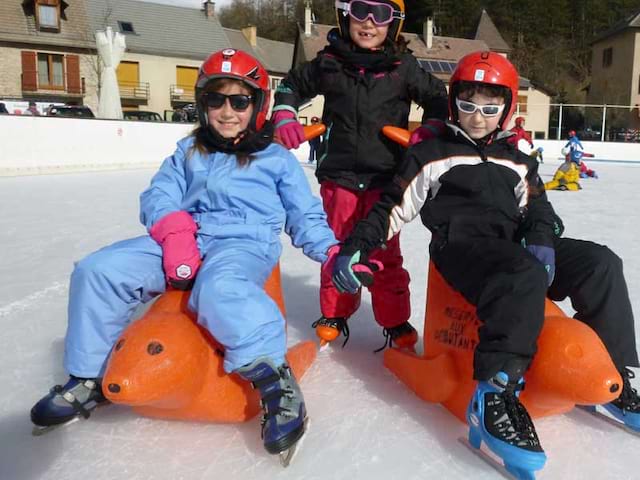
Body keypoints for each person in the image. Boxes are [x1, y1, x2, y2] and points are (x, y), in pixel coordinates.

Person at [331, 51, 640, 475]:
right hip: (462, 249)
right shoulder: (432, 154)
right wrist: (356, 249)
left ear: (507, 108)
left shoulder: (518, 159)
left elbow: (539, 210)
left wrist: (542, 239)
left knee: (601, 262)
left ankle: (616, 373)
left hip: (513, 245)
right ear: (454, 102)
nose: (478, 117)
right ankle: (494, 393)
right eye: (468, 104)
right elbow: (390, 209)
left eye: (490, 107)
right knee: (520, 273)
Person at [30, 49, 339, 459]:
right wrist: (175, 231)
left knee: (220, 288)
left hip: (243, 244)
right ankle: (89, 376)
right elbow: (159, 194)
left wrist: (332, 253)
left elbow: (305, 215)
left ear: (259, 105)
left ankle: (277, 383)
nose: (227, 112)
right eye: (216, 100)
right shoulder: (188, 152)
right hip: (186, 239)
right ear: (202, 105)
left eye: (239, 101)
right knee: (99, 270)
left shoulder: (275, 159)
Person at [272, 0, 448, 350]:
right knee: (336, 246)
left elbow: (437, 97)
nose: (369, 23)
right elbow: (291, 85)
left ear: (394, 23)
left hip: (387, 178)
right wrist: (285, 113)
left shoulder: (403, 67)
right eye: (360, 12)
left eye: (380, 15)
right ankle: (335, 312)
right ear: (344, 15)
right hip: (339, 176)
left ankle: (394, 320)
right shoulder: (329, 62)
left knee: (384, 253)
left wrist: (430, 128)